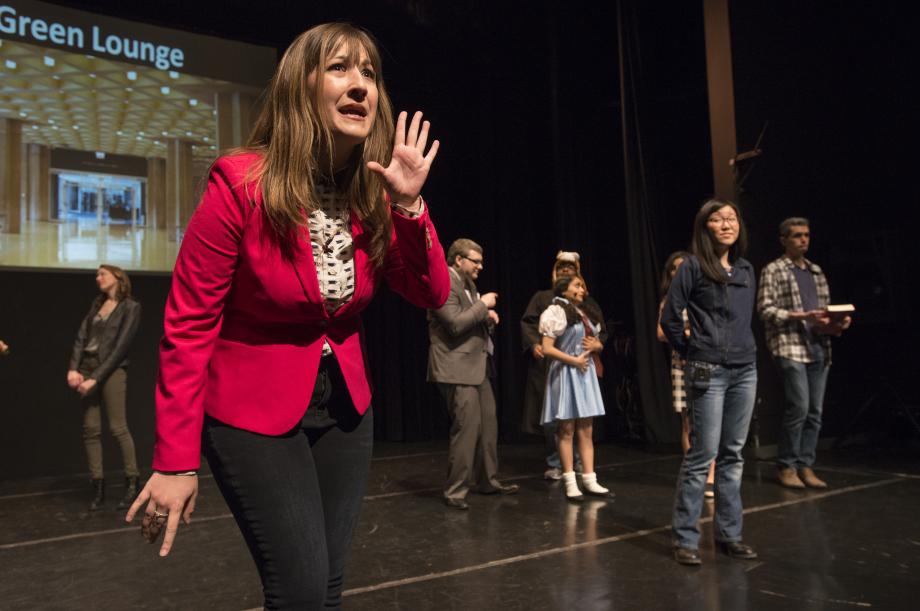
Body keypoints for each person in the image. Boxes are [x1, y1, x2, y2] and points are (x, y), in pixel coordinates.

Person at [125, 23, 450, 609]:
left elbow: (430, 292)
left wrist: (408, 206)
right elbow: (190, 323)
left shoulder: (374, 194)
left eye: (369, 73)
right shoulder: (239, 184)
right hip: (252, 412)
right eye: (339, 69)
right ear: (301, 86)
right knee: (299, 588)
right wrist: (176, 459)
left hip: (346, 408)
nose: (360, 87)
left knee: (325, 588)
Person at [661, 199, 758, 566]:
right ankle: (685, 537)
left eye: (732, 218)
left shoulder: (746, 268)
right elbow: (671, 318)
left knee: (733, 454)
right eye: (717, 220)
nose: (726, 224)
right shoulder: (693, 267)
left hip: (744, 368)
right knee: (703, 455)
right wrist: (693, 349)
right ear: (705, 228)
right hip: (708, 369)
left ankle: (729, 535)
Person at [758, 217, 851, 489]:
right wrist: (802, 316)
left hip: (818, 347)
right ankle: (786, 465)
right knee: (798, 406)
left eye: (806, 235)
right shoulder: (773, 270)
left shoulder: (816, 271)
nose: (803, 240)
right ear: (784, 239)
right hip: (789, 346)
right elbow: (765, 310)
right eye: (797, 235)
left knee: (815, 411)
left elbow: (823, 312)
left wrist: (836, 322)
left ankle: (805, 465)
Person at [428, 238, 519, 510]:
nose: (481, 266)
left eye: (481, 261)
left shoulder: (469, 285)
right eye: (475, 261)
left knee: (488, 427)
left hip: (478, 366)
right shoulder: (442, 283)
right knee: (466, 430)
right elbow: (455, 324)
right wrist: (484, 307)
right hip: (456, 368)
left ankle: (488, 481)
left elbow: (472, 321)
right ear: (458, 260)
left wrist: (488, 318)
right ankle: (455, 491)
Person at [521, 251, 607, 479]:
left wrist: (598, 344)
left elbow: (601, 330)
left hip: (581, 367)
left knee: (583, 418)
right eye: (561, 269)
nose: (565, 272)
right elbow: (529, 324)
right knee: (558, 419)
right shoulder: (545, 299)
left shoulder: (585, 304)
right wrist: (534, 344)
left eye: (570, 269)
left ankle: (579, 463)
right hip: (553, 366)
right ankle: (556, 463)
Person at [67, 264, 141, 511]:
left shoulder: (131, 307)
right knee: (91, 429)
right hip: (87, 368)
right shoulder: (97, 304)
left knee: (118, 427)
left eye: (102, 274)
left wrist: (95, 378)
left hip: (111, 370)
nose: (97, 278)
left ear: (117, 277)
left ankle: (132, 482)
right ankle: (97, 484)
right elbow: (81, 337)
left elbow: (121, 347)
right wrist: (73, 368)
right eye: (97, 275)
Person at [539, 274, 611, 501]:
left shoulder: (585, 313)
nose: (582, 289)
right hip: (566, 371)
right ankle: (570, 480)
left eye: (583, 285)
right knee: (567, 430)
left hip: (585, 372)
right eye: (577, 285)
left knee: (586, 430)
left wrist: (597, 345)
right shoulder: (556, 311)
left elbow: (596, 342)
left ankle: (590, 479)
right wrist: (574, 361)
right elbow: (547, 348)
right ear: (564, 289)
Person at [656, 251, 715, 498]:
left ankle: (711, 475)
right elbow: (661, 334)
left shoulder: (704, 295)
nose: (679, 271)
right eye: (674, 268)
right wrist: (686, 335)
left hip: (708, 364)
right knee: (688, 422)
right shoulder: (669, 300)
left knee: (710, 422)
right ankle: (694, 473)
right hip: (682, 363)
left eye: (684, 266)